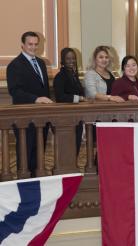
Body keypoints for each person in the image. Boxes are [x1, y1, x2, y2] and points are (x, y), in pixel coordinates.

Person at [7, 31, 53, 177]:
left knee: (39, 153)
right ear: (22, 45)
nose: (33, 47)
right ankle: (25, 184)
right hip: (24, 118)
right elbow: (15, 91)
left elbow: (44, 89)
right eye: (30, 44)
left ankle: (37, 181)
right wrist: (35, 99)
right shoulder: (14, 65)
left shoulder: (41, 63)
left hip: (42, 117)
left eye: (35, 44)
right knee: (26, 155)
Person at [53, 47, 86, 156]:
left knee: (75, 146)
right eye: (68, 59)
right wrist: (79, 98)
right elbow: (60, 97)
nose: (71, 61)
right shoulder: (59, 77)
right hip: (65, 118)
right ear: (63, 60)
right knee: (66, 149)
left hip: (77, 117)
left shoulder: (73, 75)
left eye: (73, 58)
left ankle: (72, 169)